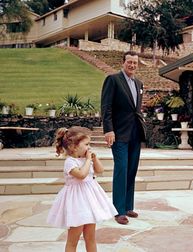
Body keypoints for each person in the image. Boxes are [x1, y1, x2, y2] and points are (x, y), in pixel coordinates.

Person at [47, 126, 118, 252]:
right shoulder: (70, 162)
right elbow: (81, 175)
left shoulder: (86, 159)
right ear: (73, 146)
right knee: (73, 239)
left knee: (90, 237)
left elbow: (100, 170)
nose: (89, 147)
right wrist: (88, 160)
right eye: (86, 144)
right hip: (76, 203)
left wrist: (94, 159)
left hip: (89, 201)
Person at [101, 51, 146, 225]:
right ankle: (118, 211)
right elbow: (106, 107)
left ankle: (128, 206)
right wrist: (108, 130)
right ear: (123, 62)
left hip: (135, 133)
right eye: (129, 62)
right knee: (121, 168)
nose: (132, 65)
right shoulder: (113, 80)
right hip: (119, 133)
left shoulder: (139, 83)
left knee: (131, 170)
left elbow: (136, 109)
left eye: (135, 63)